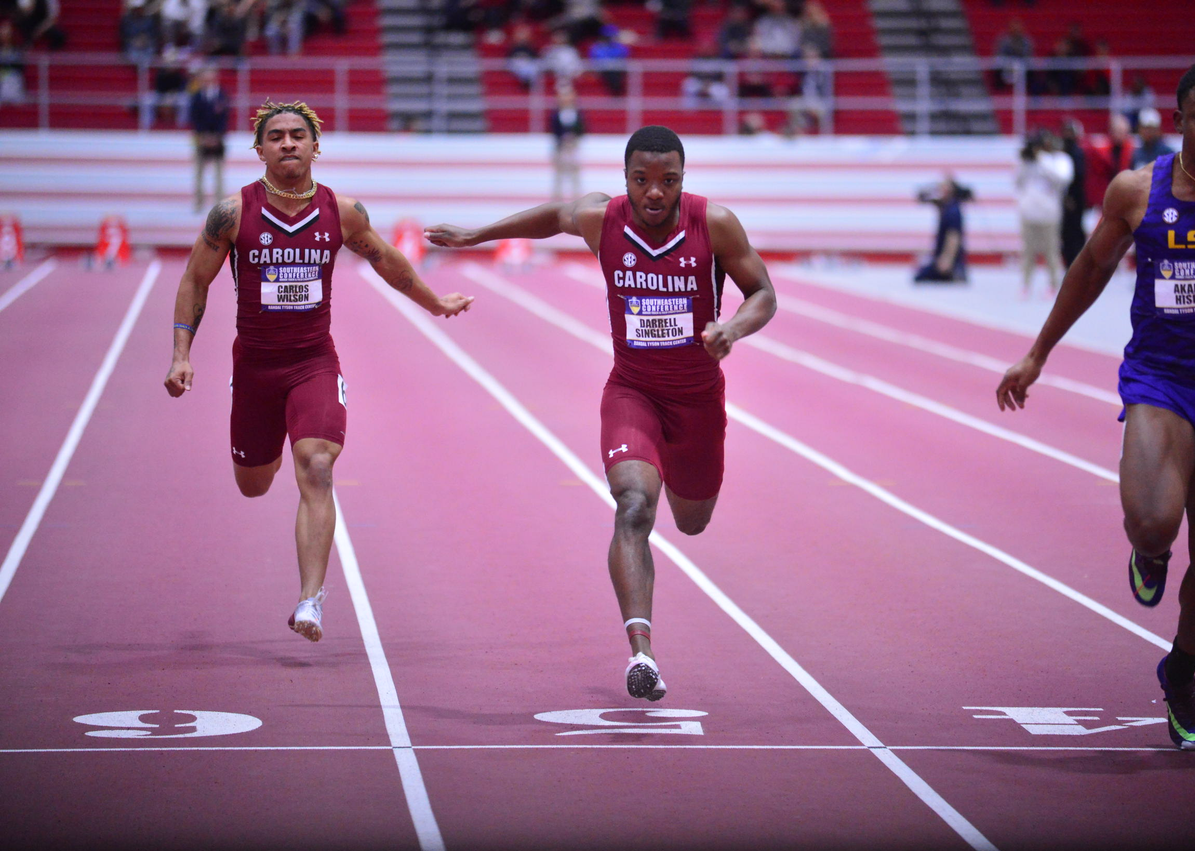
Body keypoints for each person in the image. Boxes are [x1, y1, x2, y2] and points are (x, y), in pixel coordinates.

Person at [425, 126, 777, 701]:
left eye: (668, 181)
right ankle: (642, 653)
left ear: (683, 179)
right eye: (642, 181)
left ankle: (652, 612)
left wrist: (731, 328)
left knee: (691, 521)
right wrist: (476, 236)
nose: (655, 194)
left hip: (697, 403)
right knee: (634, 506)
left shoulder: (714, 223)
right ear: (626, 180)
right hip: (632, 393)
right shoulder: (603, 219)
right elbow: (553, 216)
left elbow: (763, 291)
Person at [996, 60, 1195, 751]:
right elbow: (1090, 267)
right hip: (1159, 379)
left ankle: (1180, 668)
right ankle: (1148, 553)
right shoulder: (1136, 190)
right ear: (1177, 120)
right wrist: (1038, 353)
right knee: (1155, 525)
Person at [164, 101, 474, 641]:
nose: (288, 143)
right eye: (276, 136)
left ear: (315, 146)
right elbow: (195, 280)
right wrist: (181, 354)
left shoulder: (343, 211)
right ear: (259, 149)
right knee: (254, 485)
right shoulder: (231, 214)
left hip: (313, 363)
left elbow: (387, 261)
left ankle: (310, 601)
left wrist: (434, 303)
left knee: (317, 466)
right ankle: (265, 445)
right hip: (256, 367)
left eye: (298, 135)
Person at [1015, 130, 1073, 298]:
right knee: (1027, 252)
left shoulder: (1059, 160)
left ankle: (1054, 285)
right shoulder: (1028, 162)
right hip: (1029, 213)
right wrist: (1026, 161)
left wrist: (1042, 160)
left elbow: (1062, 179)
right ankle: (1025, 284)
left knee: (1051, 251)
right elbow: (1018, 182)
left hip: (1049, 214)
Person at [913, 176, 969, 283]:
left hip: (949, 261)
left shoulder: (953, 211)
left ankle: (953, 272)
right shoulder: (945, 206)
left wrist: (947, 260)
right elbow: (922, 198)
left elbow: (954, 237)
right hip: (942, 256)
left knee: (921, 276)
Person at [190, 66, 229, 210]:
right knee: (199, 170)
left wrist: (217, 136)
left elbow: (224, 118)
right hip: (201, 137)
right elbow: (194, 117)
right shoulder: (197, 95)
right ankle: (199, 202)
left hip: (218, 137)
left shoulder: (221, 95)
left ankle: (219, 202)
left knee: (218, 171)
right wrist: (203, 136)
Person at [1059, 116, 1087, 267]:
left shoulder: (1078, 152)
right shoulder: (1062, 152)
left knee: (1076, 231)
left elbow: (1079, 176)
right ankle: (1068, 262)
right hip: (1064, 197)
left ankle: (1077, 263)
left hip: (1076, 198)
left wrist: (1071, 197)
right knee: (1065, 232)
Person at [549, 83, 584, 201]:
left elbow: (582, 129)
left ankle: (576, 199)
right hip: (561, 147)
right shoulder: (555, 114)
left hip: (573, 146)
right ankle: (557, 199)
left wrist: (574, 137)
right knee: (559, 174)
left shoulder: (578, 113)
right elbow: (553, 130)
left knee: (575, 174)